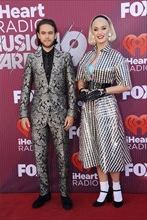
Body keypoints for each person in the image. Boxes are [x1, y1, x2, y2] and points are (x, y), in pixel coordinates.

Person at [19, 18, 76, 210]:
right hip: (37, 115)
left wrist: (71, 112)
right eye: (43, 33)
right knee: (39, 156)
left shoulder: (65, 57)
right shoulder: (31, 58)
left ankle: (64, 193)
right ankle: (44, 193)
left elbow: (71, 88)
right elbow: (26, 87)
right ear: (37, 35)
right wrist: (23, 114)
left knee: (62, 156)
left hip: (61, 114)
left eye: (50, 32)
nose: (46, 36)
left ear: (56, 35)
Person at [76, 14, 132, 208]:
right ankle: (103, 189)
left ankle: (116, 188)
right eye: (96, 29)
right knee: (95, 147)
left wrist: (103, 90)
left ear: (110, 30)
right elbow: (81, 79)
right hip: (89, 109)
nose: (100, 32)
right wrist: (83, 89)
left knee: (112, 147)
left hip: (106, 107)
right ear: (92, 32)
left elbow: (126, 85)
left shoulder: (116, 56)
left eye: (103, 28)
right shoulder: (86, 57)